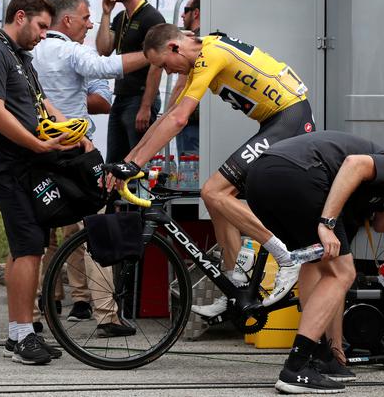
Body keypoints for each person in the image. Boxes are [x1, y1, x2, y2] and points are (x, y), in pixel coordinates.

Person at [104, 23, 316, 316]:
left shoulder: (210, 55)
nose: (167, 72)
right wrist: (128, 160)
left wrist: (135, 164)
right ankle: (235, 284)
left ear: (174, 48)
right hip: (277, 122)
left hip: (290, 118)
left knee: (213, 191)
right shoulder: (198, 55)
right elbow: (166, 116)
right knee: (215, 198)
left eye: (165, 65)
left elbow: (179, 120)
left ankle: (286, 257)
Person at [242, 130, 384, 393]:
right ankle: (295, 367)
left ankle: (319, 355)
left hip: (260, 178)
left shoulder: (357, 204)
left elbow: (320, 272)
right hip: (297, 175)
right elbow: (353, 164)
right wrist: (327, 222)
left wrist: (335, 345)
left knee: (318, 263)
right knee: (343, 273)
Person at [0, 0, 82, 365]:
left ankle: (22, 333)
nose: (44, 34)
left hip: (28, 164)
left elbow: (42, 103)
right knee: (28, 245)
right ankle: (20, 335)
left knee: (32, 242)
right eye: (41, 26)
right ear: (20, 17)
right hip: (7, 166)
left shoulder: (20, 56)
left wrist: (77, 134)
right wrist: (37, 145)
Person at [32, 0, 150, 337]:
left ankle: (35, 314)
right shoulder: (70, 50)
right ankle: (106, 315)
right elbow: (105, 66)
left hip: (37, 151)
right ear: (66, 21)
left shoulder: (27, 54)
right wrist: (152, 53)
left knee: (39, 237)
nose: (89, 24)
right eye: (85, 18)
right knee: (95, 229)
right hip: (74, 153)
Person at [95, 0, 165, 166]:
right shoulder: (120, 16)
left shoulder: (151, 17)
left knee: (137, 164)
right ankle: (116, 198)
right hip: (122, 96)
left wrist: (146, 106)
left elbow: (157, 63)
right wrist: (106, 13)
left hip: (140, 98)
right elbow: (104, 49)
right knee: (114, 163)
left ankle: (141, 198)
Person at [168, 0, 201, 156]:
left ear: (196, 13)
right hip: (199, 117)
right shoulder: (209, 36)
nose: (182, 14)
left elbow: (182, 84)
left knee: (191, 174)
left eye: (186, 10)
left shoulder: (193, 41)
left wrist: (168, 114)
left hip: (191, 118)